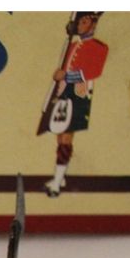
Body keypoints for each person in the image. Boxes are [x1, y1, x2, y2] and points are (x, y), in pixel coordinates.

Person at [43, 12, 108, 198]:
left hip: (79, 94)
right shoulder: (71, 46)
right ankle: (60, 175)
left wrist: (66, 76)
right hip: (64, 92)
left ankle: (56, 183)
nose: (80, 25)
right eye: (79, 22)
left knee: (66, 138)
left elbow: (93, 71)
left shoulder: (98, 47)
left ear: (93, 24)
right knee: (60, 134)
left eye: (84, 21)